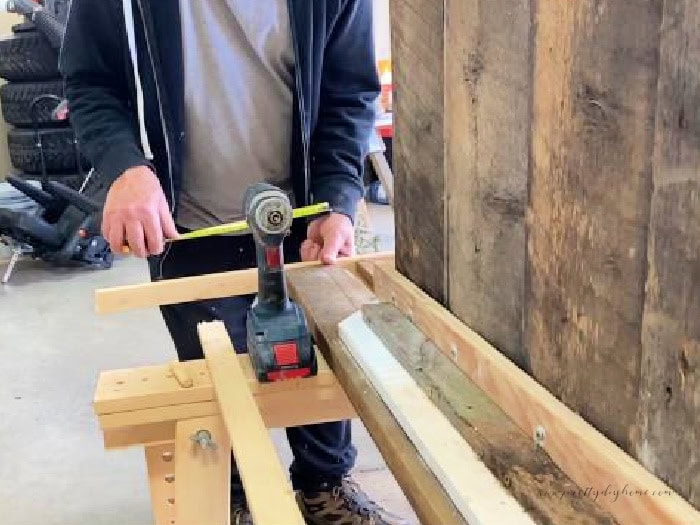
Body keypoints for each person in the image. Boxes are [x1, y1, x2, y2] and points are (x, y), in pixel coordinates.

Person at [60, 1, 407, 524]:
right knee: (214, 377)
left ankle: (324, 486)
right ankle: (234, 496)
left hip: (303, 217)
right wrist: (125, 166)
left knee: (310, 358)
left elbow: (347, 93)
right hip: (188, 226)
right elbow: (91, 83)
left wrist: (338, 199)